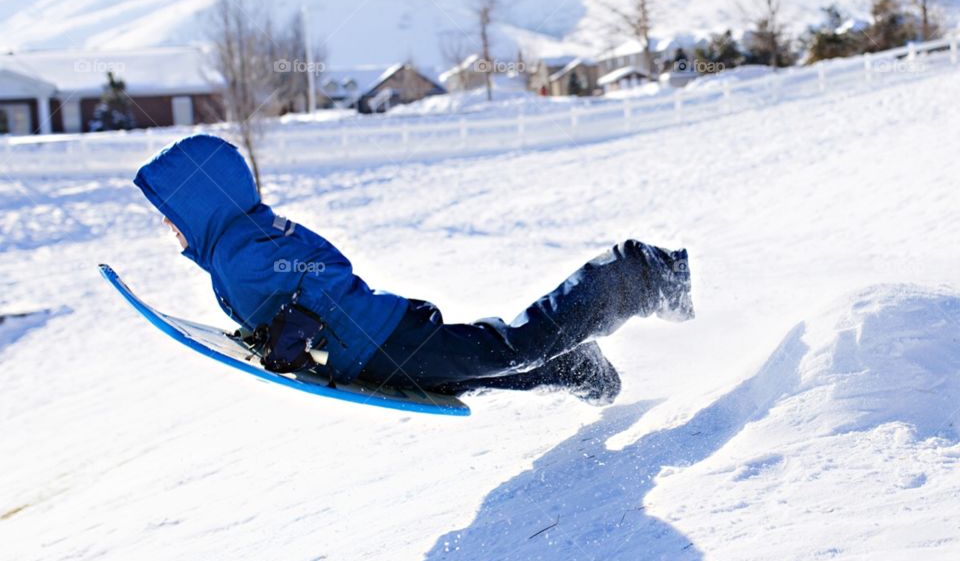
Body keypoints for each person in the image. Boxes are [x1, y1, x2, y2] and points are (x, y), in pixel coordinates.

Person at [134, 134, 694, 406]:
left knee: (511, 347)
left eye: (171, 213)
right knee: (469, 376)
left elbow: (321, 277)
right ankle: (576, 367)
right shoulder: (237, 248)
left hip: (383, 339)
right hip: (366, 351)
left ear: (201, 203)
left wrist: (296, 331)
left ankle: (634, 273)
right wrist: (277, 337)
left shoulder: (243, 249)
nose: (167, 226)